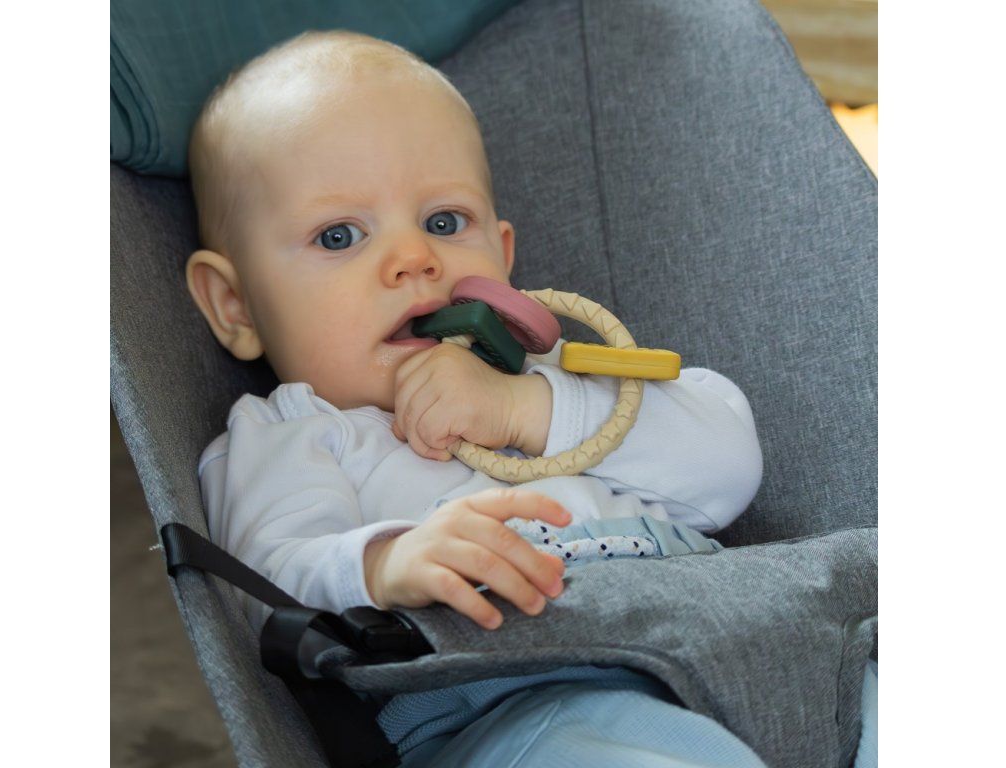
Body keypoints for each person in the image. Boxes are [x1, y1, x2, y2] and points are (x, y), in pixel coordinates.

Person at [184, 30, 872, 767]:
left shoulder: (550, 372)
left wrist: (524, 407)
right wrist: (384, 562)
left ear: (503, 256)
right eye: (339, 236)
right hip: (520, 692)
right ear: (236, 306)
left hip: (744, 629)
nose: (414, 258)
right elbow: (265, 584)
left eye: (444, 223)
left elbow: (727, 467)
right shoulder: (290, 432)